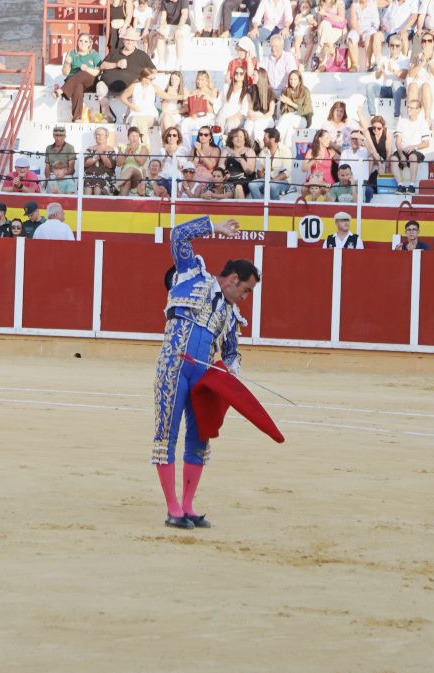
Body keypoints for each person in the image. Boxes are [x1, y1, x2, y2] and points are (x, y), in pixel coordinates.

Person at [152, 215, 258, 530]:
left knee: (199, 439)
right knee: (166, 436)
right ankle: (173, 508)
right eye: (247, 289)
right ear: (234, 279)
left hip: (202, 378)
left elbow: (230, 352)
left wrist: (234, 371)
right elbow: (179, 235)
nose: (246, 297)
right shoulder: (192, 273)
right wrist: (214, 228)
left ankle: (187, 505)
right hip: (173, 365)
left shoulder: (229, 313)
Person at [96, 28, 155, 123]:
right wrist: (116, 64)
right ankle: (107, 116)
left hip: (129, 89)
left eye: (132, 40)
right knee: (100, 86)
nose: (129, 42)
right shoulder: (114, 52)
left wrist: (144, 77)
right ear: (123, 40)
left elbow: (153, 70)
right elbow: (102, 66)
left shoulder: (142, 55)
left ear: (135, 41)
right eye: (127, 39)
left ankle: (127, 117)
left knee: (135, 88)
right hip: (108, 86)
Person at [58, 33, 102, 122]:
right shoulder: (71, 53)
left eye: (86, 41)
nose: (83, 43)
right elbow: (65, 72)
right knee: (78, 86)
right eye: (81, 41)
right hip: (73, 82)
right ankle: (77, 117)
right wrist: (67, 63)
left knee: (84, 72)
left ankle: (62, 90)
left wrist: (87, 69)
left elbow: (98, 72)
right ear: (77, 42)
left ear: (90, 43)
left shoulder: (94, 54)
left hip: (90, 82)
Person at [393, 98, 431, 191]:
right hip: (403, 150)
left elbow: (426, 143)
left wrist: (414, 147)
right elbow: (398, 141)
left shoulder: (423, 123)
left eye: (411, 108)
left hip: (415, 150)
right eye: (408, 107)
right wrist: (401, 155)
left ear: (418, 110)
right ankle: (400, 185)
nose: (408, 109)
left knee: (413, 157)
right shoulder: (402, 120)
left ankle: (412, 185)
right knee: (393, 159)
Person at [249, 127, 291, 200]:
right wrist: (260, 171)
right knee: (252, 184)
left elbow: (286, 173)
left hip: (283, 181)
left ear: (272, 139)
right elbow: (259, 175)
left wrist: (270, 182)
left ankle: (276, 209)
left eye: (265, 138)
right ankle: (259, 208)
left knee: (272, 186)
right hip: (267, 180)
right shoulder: (263, 152)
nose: (263, 140)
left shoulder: (285, 150)